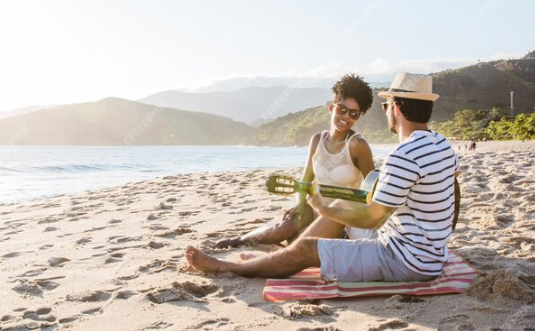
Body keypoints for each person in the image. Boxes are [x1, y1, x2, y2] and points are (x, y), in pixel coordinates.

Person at [186, 72, 459, 282]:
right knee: (334, 212)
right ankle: (277, 257)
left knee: (305, 247)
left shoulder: (404, 154)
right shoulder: (442, 145)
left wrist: (321, 206)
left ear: (396, 108)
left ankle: (226, 266)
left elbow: (374, 216)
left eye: (387, 105)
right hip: (429, 252)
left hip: (405, 260)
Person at [213, 73, 375, 249]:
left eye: (354, 113)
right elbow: (305, 179)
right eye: (342, 109)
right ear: (331, 107)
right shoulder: (317, 140)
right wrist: (299, 204)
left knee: (299, 247)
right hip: (314, 208)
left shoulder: (358, 146)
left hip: (339, 218)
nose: (346, 117)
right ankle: (239, 240)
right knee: (284, 228)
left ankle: (288, 248)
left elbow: (374, 189)